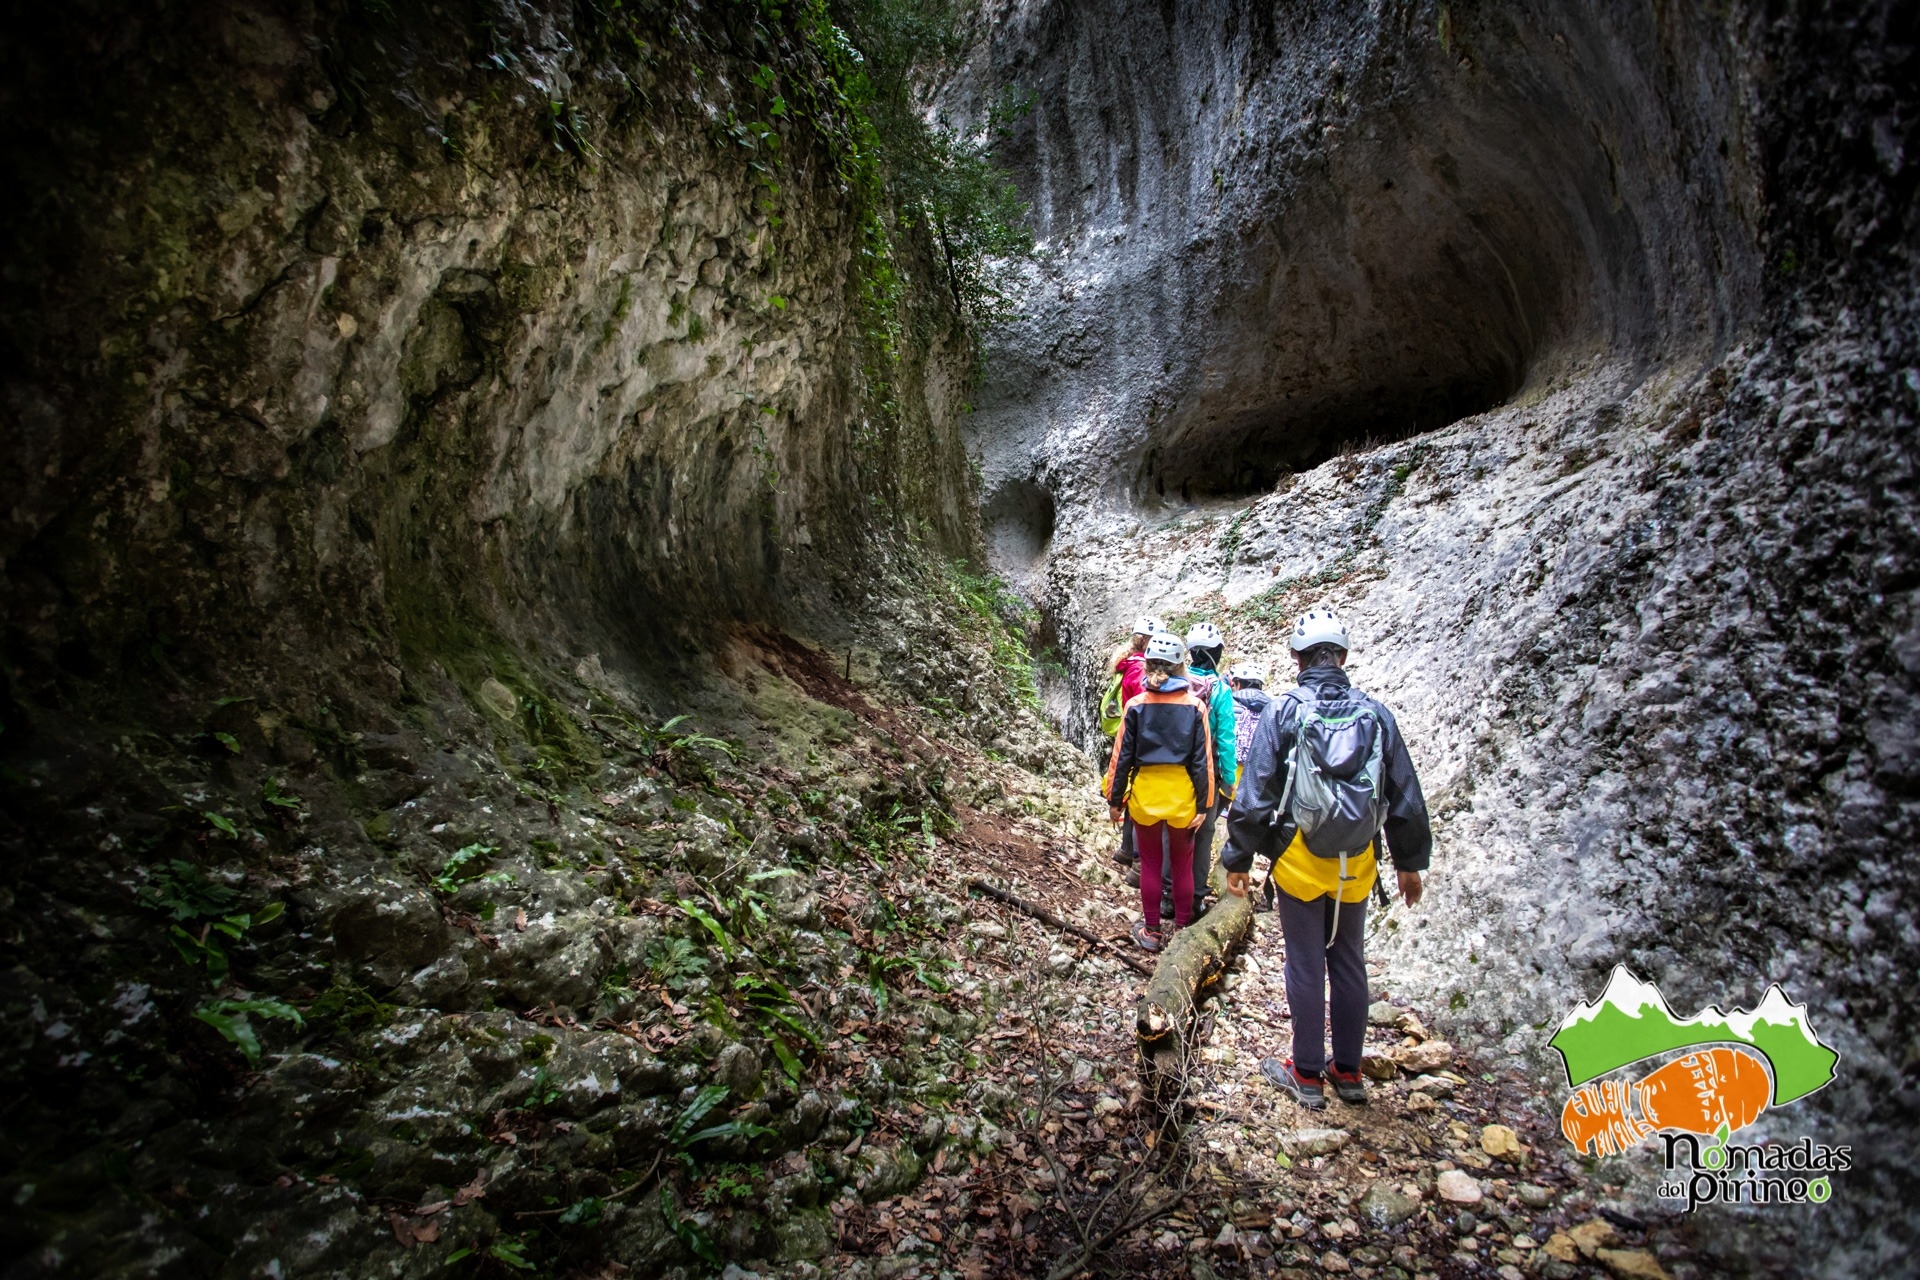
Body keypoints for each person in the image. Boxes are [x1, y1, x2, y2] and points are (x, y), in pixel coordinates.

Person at [1221, 608, 1432, 1110]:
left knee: (1304, 960)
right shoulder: (1376, 714)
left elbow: (1256, 796)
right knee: (1349, 961)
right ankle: (1351, 1071)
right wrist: (1409, 862)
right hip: (1356, 861)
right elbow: (1404, 793)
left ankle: (1308, 1073)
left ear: (1296, 658)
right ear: (1342, 656)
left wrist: (1238, 858)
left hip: (1298, 858)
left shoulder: (1285, 710)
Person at [1104, 633, 1215, 952]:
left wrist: (1115, 800)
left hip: (1146, 797)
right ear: (1182, 667)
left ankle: (1151, 931)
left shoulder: (1136, 706)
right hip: (1182, 797)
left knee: (1151, 865)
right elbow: (1201, 761)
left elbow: (1121, 756)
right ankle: (1181, 931)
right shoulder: (1195, 707)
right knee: (1182, 865)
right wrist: (1204, 804)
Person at [1175, 621, 1237, 920]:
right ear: (1217, 653)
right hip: (1208, 772)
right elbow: (1226, 739)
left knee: (1171, 830)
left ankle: (1165, 894)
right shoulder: (1222, 691)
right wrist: (1229, 779)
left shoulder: (1178, 682)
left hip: (1176, 769)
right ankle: (1196, 897)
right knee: (1204, 833)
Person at [1105, 615, 1163, 876]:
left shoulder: (1128, 663)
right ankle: (1138, 863)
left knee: (1133, 789)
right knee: (1139, 794)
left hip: (1130, 729)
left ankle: (1127, 849)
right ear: (1147, 641)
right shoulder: (1140, 669)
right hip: (1140, 733)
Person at [1227, 662, 1276, 910]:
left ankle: (1233, 875)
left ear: (1237, 683)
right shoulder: (1274, 708)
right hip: (1261, 776)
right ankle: (1266, 894)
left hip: (1232, 772)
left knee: (1228, 824)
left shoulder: (1230, 702)